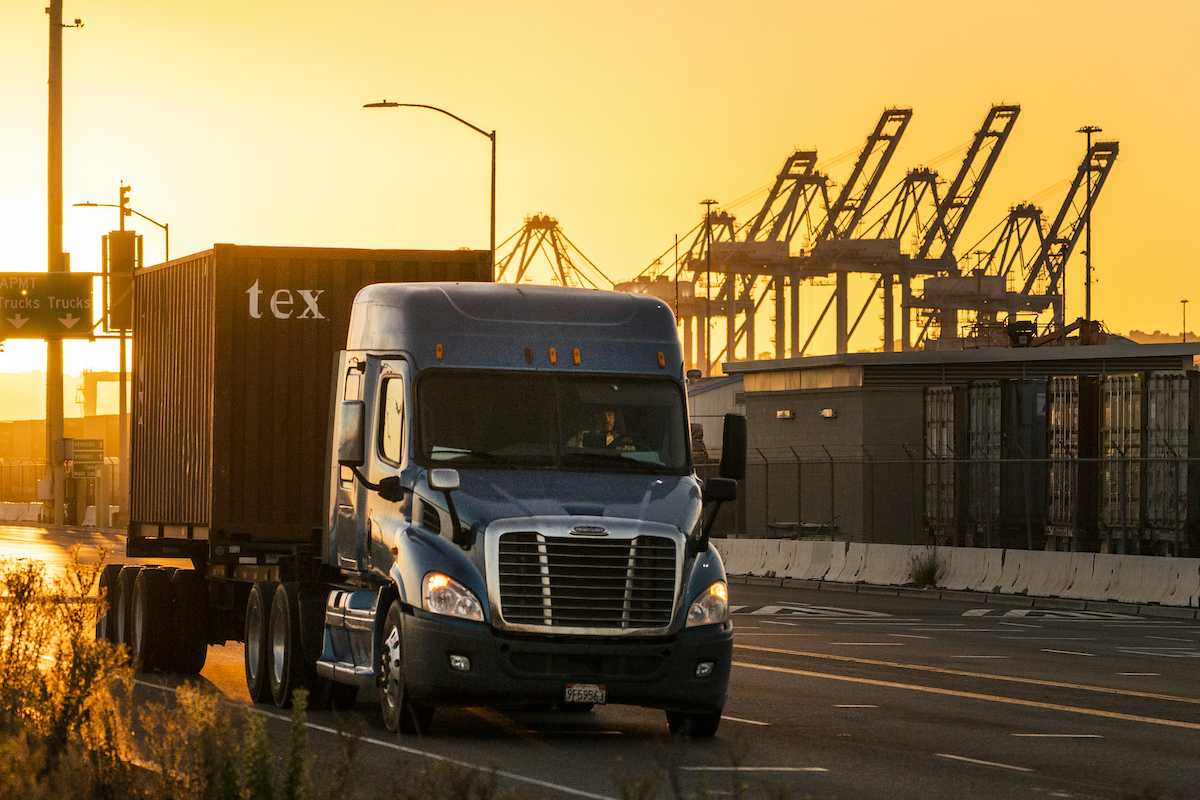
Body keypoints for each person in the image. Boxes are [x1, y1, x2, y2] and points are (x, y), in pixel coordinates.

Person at [568, 408, 634, 450]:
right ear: (595, 418)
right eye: (602, 415)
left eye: (610, 415)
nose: (607, 420)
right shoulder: (579, 439)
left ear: (614, 418)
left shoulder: (625, 443)